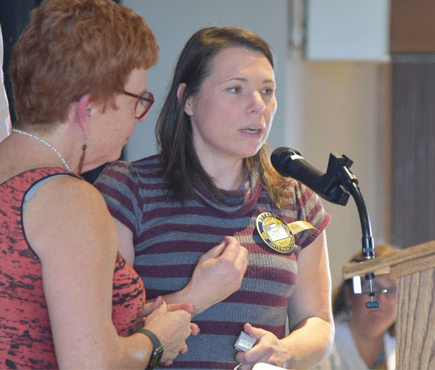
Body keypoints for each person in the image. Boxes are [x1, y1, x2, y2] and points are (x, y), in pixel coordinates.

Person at [0, 0, 198, 368]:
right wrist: (156, 340)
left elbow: (19, 316)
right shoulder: (68, 198)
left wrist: (132, 315)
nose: (138, 117)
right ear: (87, 108)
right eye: (137, 100)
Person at [95, 26, 334, 369]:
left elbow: (319, 323)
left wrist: (286, 351)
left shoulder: (296, 199)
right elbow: (102, 334)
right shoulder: (128, 189)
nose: (258, 106)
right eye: (236, 89)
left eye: (267, 91)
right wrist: (195, 297)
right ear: (187, 99)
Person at [313, 245, 398, 370]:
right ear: (348, 294)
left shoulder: (404, 346)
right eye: (372, 288)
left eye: (391, 291)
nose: (381, 299)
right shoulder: (322, 347)